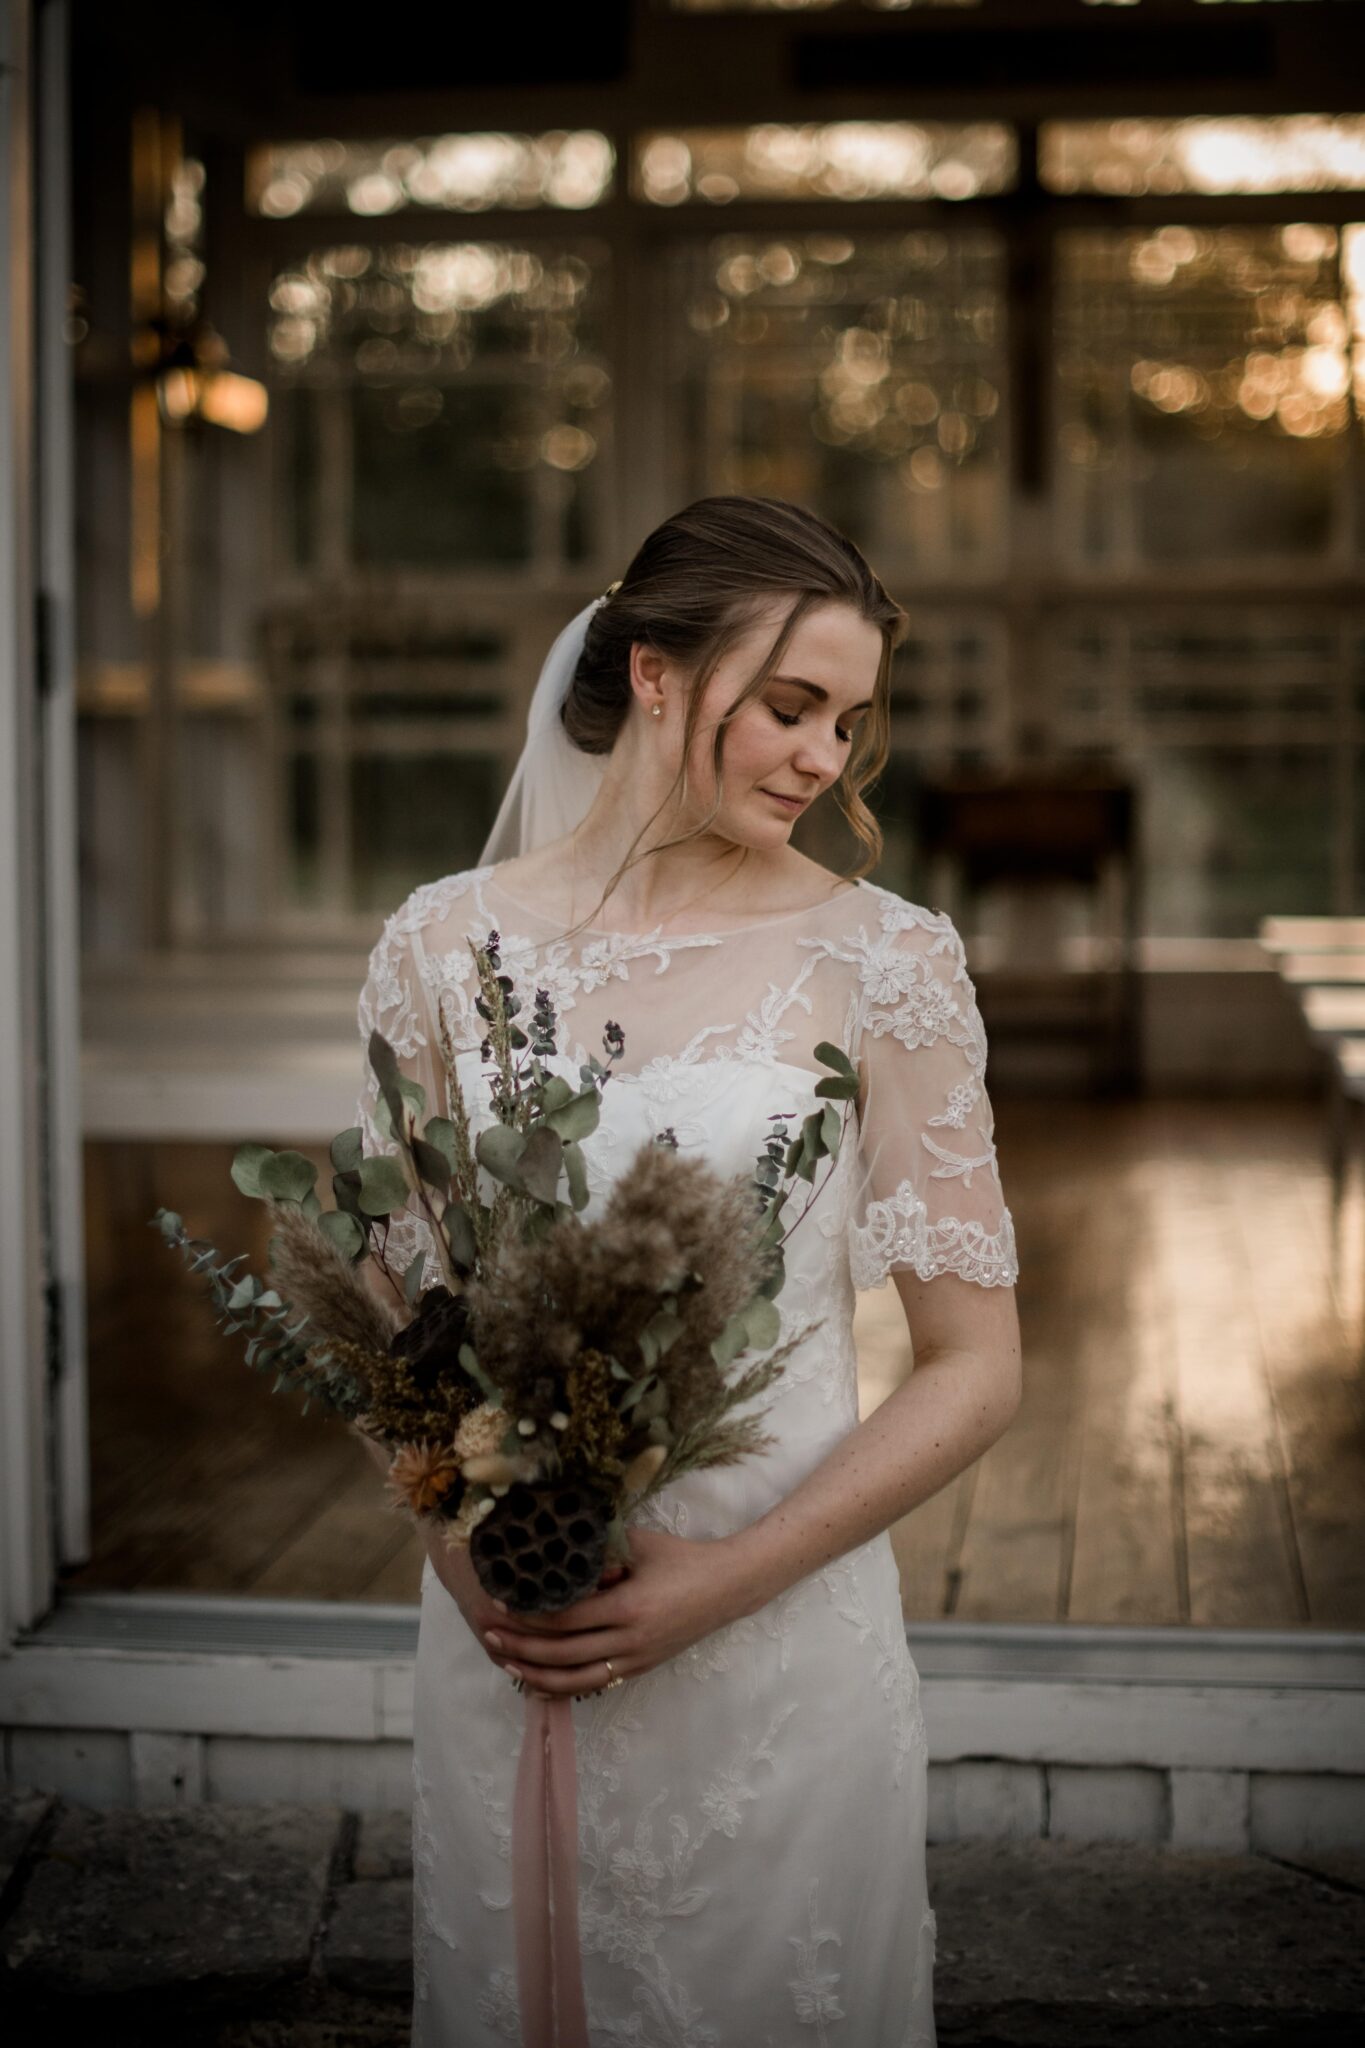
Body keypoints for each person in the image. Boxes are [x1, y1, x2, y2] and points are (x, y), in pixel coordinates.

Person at [354, 495, 1022, 2046]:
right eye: (789, 705)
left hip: (775, 1632)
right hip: (514, 1620)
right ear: (652, 675)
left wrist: (719, 1583)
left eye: (848, 722)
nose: (822, 757)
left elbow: (979, 1364)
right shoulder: (440, 953)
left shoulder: (887, 964)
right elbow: (393, 1311)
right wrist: (465, 1552)